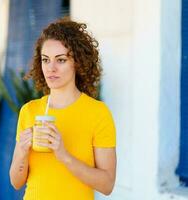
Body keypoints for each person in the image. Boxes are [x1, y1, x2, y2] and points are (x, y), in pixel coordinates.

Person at [9, 18, 116, 200]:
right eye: (45, 60)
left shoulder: (98, 113)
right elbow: (17, 182)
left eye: (61, 60)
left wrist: (64, 155)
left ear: (78, 62)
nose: (51, 68)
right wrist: (21, 152)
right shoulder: (30, 111)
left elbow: (107, 185)